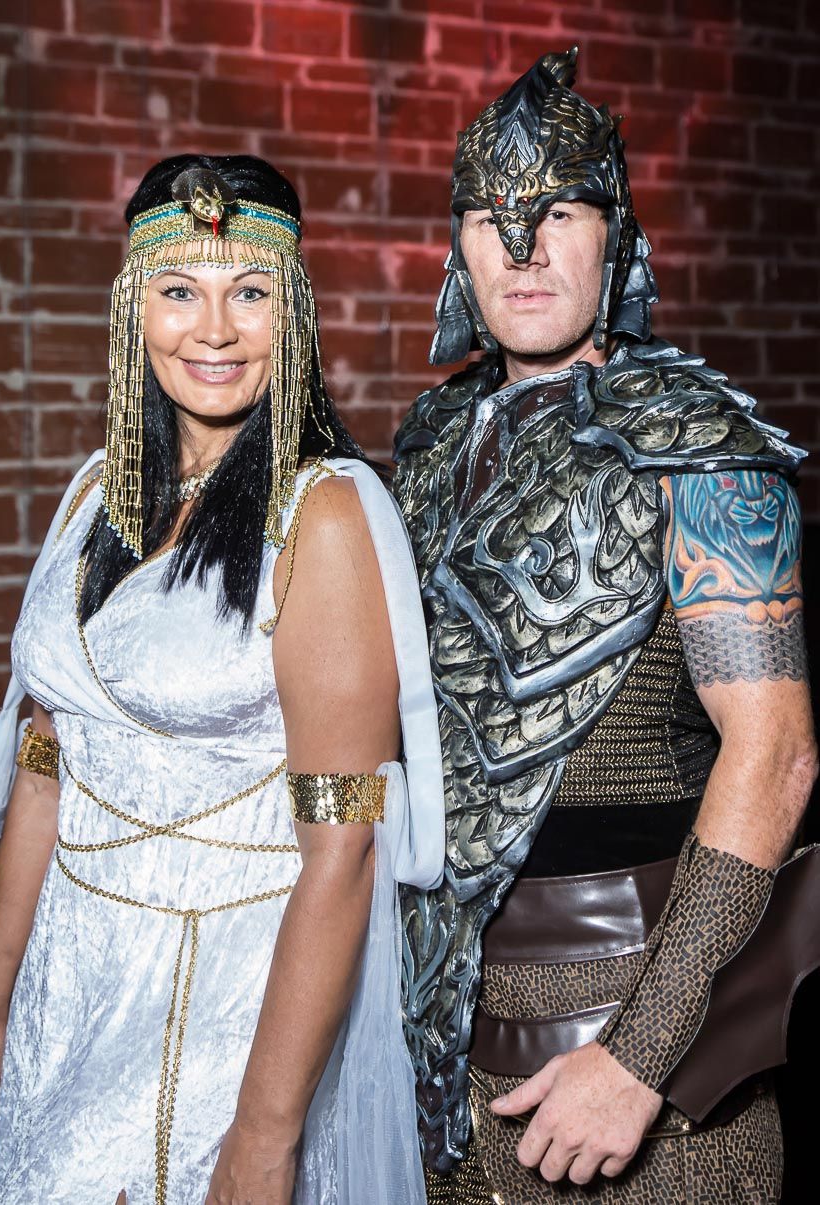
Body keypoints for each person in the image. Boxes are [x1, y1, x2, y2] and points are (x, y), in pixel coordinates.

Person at [394, 49, 817, 1204]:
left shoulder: (702, 452)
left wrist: (641, 1057)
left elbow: (775, 752)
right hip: (439, 1050)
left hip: (641, 1052)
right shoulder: (427, 446)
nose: (521, 248)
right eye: (488, 215)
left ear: (614, 232)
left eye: (559, 212)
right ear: (457, 243)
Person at [0, 153, 444, 1204]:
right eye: (178, 292)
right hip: (71, 979)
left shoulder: (322, 515)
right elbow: (48, 757)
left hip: (221, 1010)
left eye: (249, 293)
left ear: (294, 312)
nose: (214, 330)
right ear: (131, 309)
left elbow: (343, 848)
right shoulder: (96, 496)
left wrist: (264, 1133)